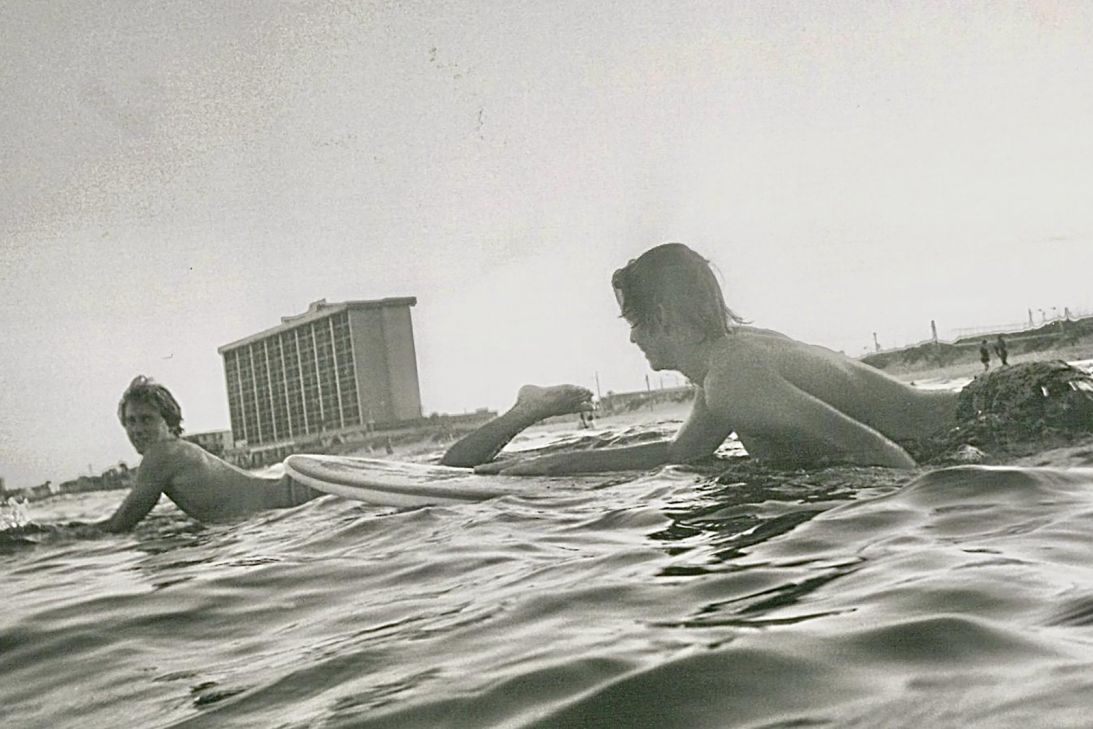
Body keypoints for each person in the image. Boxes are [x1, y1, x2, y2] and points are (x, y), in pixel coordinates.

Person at [475, 243, 1093, 475]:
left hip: (1015, 415)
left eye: (634, 323)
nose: (633, 340)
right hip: (1017, 399)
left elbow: (881, 452)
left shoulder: (733, 378)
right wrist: (541, 465)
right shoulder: (731, 365)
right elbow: (676, 455)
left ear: (662, 316)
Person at [98, 376, 593, 531]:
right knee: (443, 474)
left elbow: (122, 523)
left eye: (146, 419)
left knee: (442, 474)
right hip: (300, 497)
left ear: (168, 422)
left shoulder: (162, 455)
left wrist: (65, 536)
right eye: (131, 422)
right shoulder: (175, 454)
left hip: (301, 500)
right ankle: (523, 416)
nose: (138, 430)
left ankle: (525, 409)